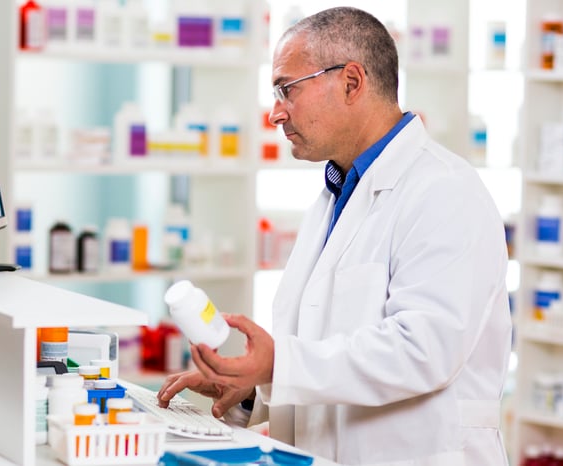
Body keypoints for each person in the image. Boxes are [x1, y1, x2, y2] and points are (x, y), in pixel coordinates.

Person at [157, 6, 511, 465]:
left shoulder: (445, 191)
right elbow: (327, 352)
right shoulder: (336, 195)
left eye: (287, 89)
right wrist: (253, 387)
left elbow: (423, 350)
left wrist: (280, 364)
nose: (275, 114)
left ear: (351, 82)